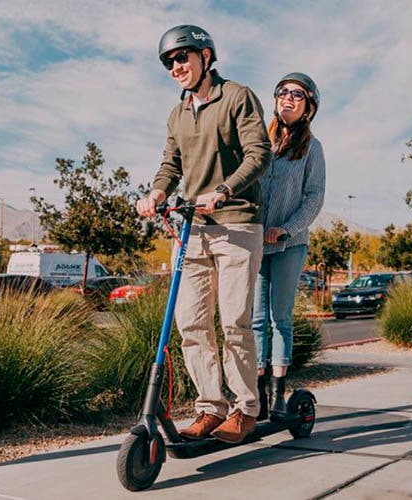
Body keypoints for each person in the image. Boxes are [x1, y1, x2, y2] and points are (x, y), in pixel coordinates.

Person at [137, 25, 271, 443]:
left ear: (206, 56)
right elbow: (171, 164)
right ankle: (209, 407)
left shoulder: (237, 96)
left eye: (183, 57)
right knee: (191, 324)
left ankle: (246, 408)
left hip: (236, 222)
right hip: (192, 228)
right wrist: (157, 191)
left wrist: (225, 190)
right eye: (169, 62)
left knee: (233, 320)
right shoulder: (177, 114)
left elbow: (259, 154)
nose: (176, 67)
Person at [252, 73, 325, 420]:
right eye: (283, 92)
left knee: (280, 318)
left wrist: (286, 228)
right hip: (253, 245)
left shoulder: (312, 148)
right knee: (254, 321)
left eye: (297, 95)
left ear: (309, 106)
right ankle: (258, 396)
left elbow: (314, 197)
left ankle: (280, 395)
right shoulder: (258, 143)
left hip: (289, 245)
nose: (288, 98)